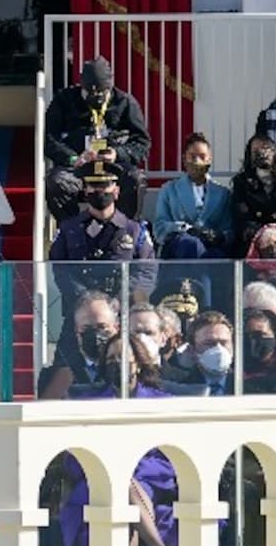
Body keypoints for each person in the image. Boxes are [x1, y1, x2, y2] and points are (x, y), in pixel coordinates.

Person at [47, 161, 155, 380]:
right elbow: (59, 268)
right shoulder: (69, 229)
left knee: (132, 372)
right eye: (93, 187)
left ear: (116, 190)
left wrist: (118, 302)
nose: (99, 192)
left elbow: (145, 272)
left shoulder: (135, 230)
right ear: (85, 191)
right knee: (62, 375)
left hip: (121, 316)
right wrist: (85, 300)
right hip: (79, 319)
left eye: (105, 186)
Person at [43, 56, 151, 220]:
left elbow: (142, 142)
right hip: (79, 167)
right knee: (56, 182)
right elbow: (49, 139)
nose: (96, 96)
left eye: (102, 92)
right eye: (89, 92)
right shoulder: (64, 100)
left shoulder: (125, 103)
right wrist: (72, 158)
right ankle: (72, 230)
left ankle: (123, 228)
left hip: (113, 167)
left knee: (135, 179)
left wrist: (117, 154)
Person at [154, 132, 233, 259]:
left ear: (210, 159)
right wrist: (184, 228)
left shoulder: (223, 194)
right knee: (191, 245)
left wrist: (217, 236)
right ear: (184, 158)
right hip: (179, 249)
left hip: (210, 249)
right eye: (192, 156)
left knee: (216, 256)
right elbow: (159, 228)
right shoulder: (169, 190)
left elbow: (229, 230)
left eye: (202, 156)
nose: (197, 161)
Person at [38, 290, 118, 399]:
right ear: (76, 331)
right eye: (86, 328)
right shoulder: (53, 379)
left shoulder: (129, 370)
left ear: (116, 328)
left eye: (102, 326)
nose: (95, 334)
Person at [169, 310, 235, 396]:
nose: (219, 349)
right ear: (192, 349)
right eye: (209, 343)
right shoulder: (177, 388)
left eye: (224, 342)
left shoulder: (248, 386)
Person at [241, 309, 276, 394]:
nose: (252, 340)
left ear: (275, 336)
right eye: (248, 335)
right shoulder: (236, 368)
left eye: (260, 335)